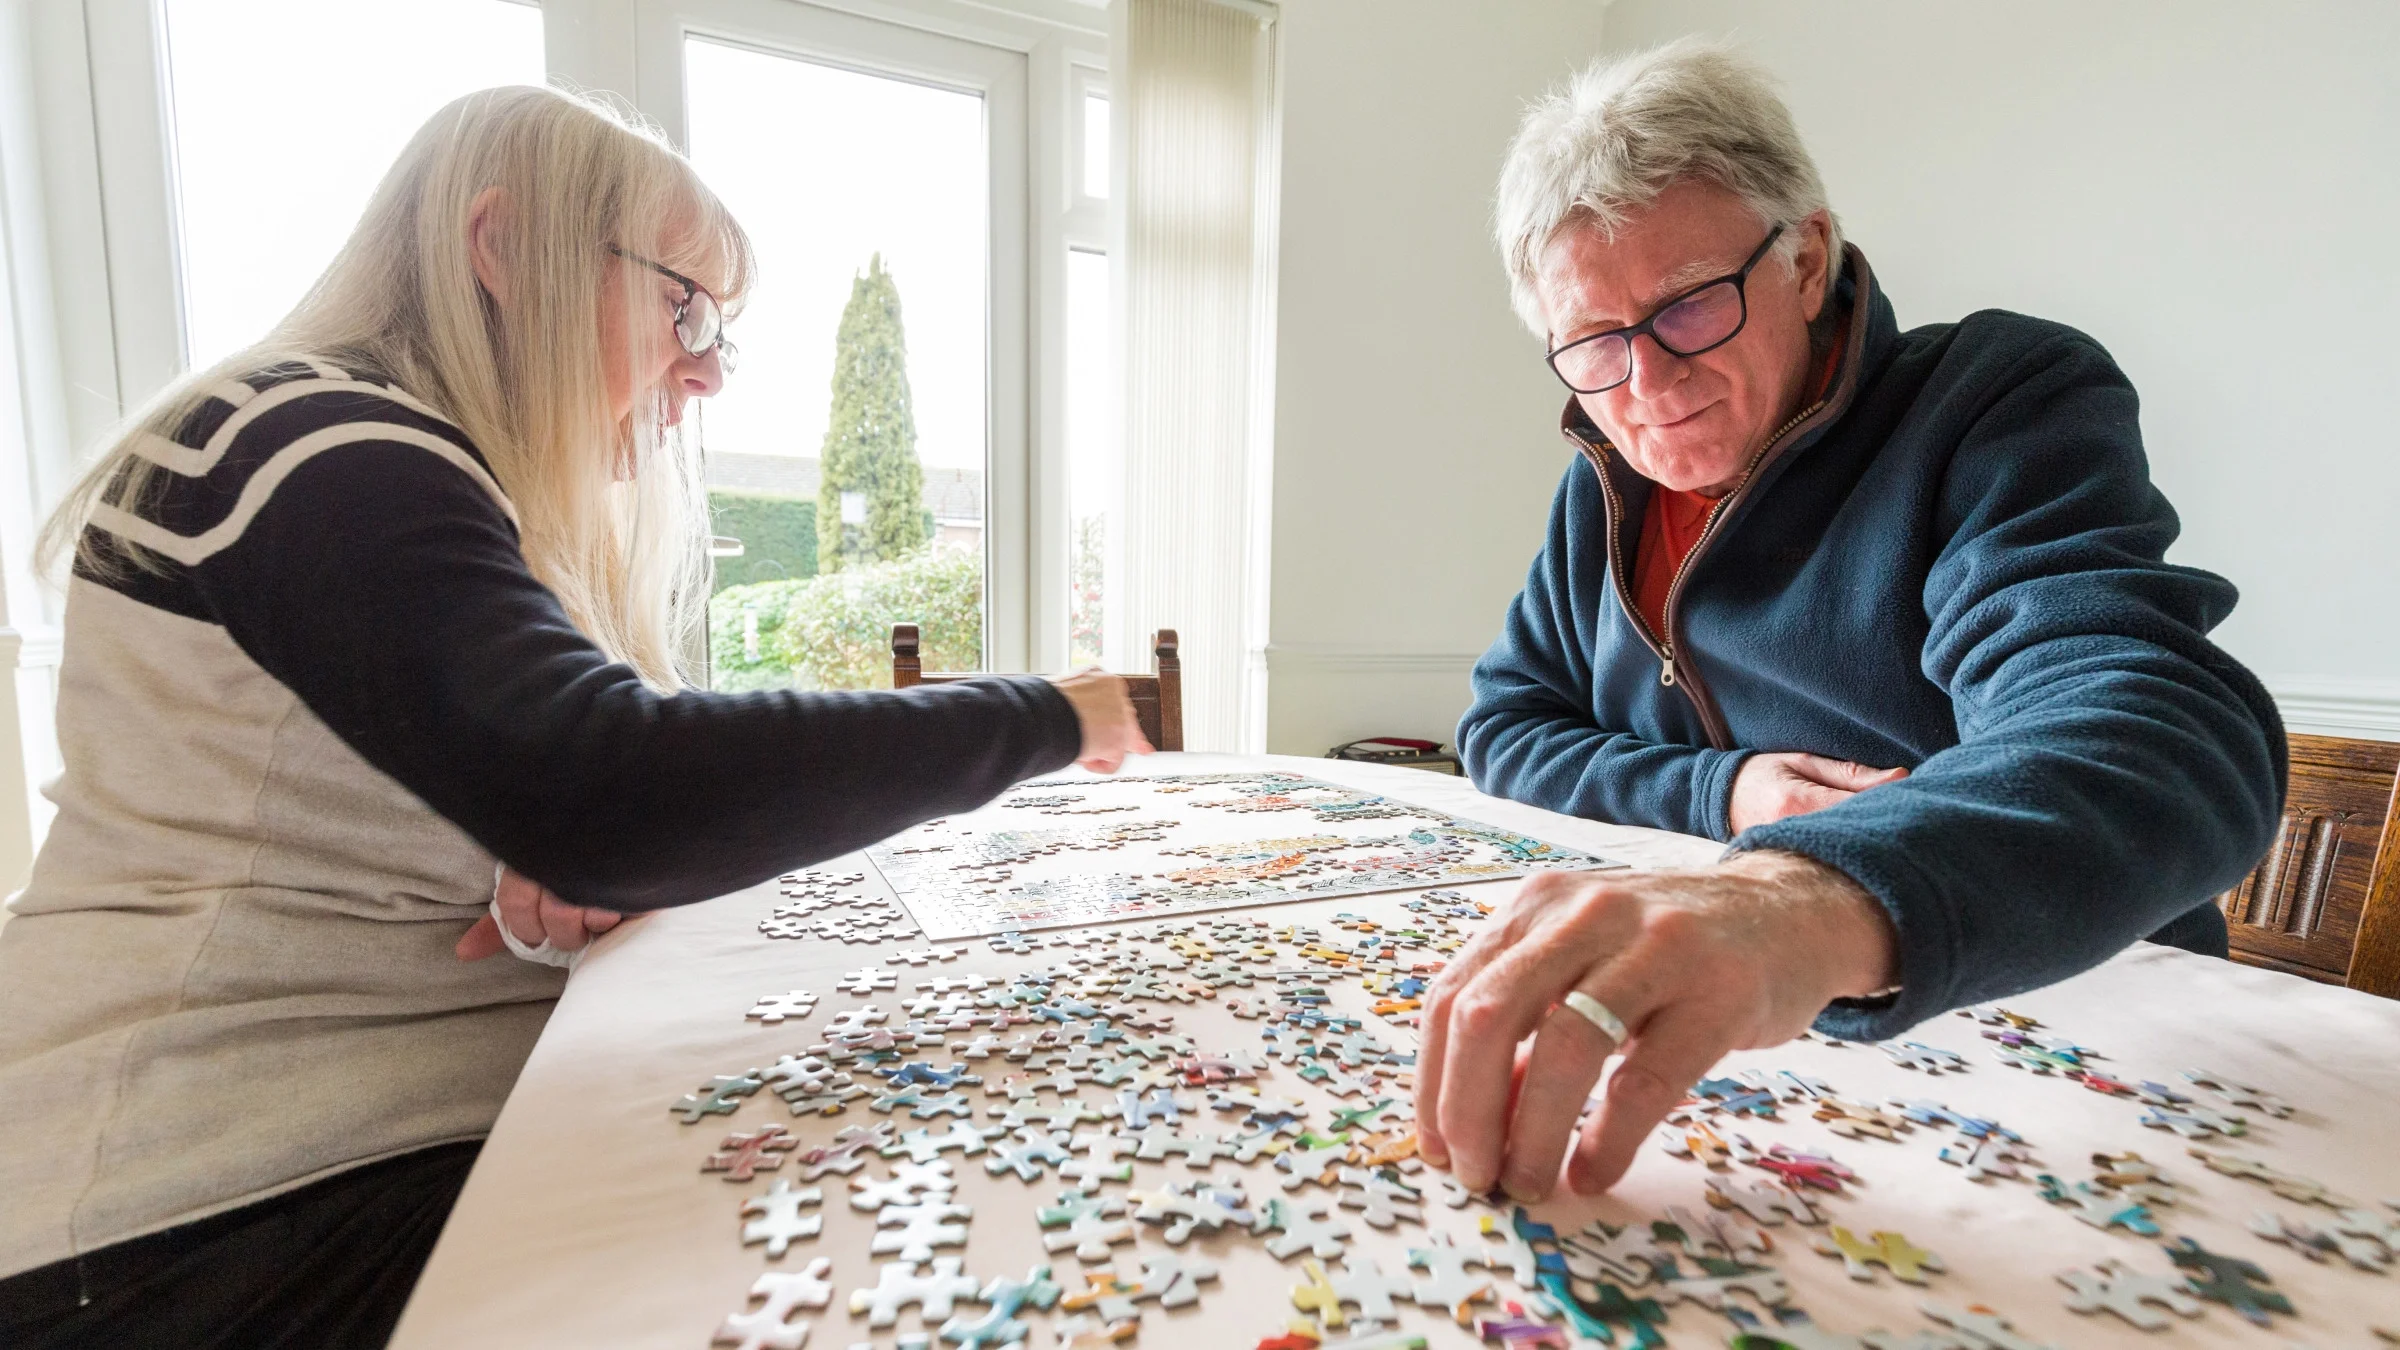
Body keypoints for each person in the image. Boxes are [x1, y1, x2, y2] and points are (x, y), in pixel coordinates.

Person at [0, 85, 1147, 1348]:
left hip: (358, 1158)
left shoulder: (408, 466)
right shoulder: (314, 442)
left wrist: (552, 858)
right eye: (683, 305)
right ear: (502, 253)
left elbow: (553, 792)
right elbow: (611, 787)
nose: (707, 370)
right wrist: (1045, 710)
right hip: (184, 1222)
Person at [1417, 42, 2281, 1208]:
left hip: (2067, 1020)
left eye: (1688, 309)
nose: (1647, 384)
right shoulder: (1604, 489)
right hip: (1783, 1063)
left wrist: (1801, 895)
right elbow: (1506, 726)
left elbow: (2161, 739)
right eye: (1594, 342)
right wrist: (1729, 796)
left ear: (1808, 255)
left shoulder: (1998, 399)